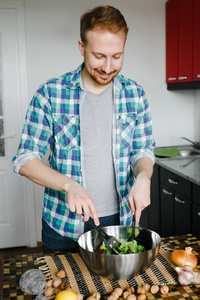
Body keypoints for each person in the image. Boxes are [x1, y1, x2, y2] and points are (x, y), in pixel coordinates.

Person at [12, 5, 155, 252]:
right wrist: (69, 186)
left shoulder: (135, 94)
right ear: (82, 48)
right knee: (62, 291)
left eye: (117, 56)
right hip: (63, 225)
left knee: (115, 290)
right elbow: (25, 159)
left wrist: (143, 176)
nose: (108, 67)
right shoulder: (51, 94)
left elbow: (142, 151)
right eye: (99, 56)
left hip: (120, 221)